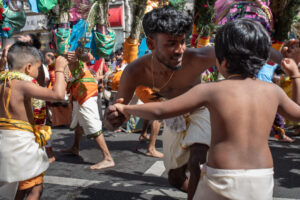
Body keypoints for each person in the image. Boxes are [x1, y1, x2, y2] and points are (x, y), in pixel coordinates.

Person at [104, 6, 283, 199]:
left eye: (182, 42)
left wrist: (286, 60)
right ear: (151, 43)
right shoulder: (134, 71)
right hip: (172, 115)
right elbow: (117, 112)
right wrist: (113, 118)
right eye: (171, 43)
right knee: (175, 177)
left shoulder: (198, 57)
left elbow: (248, 46)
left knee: (198, 159)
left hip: (201, 109)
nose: (180, 49)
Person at [0, 41, 68, 200]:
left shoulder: (3, 82)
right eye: (38, 68)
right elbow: (58, 95)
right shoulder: (22, 85)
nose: (39, 71)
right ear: (28, 68)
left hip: (4, 142)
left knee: (19, 188)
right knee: (35, 189)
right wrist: (59, 69)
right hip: (21, 145)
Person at [61, 50, 114, 170]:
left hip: (85, 89)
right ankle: (75, 147)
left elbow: (90, 57)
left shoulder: (76, 41)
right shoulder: (64, 43)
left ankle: (108, 158)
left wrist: (79, 55)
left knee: (91, 122)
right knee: (79, 120)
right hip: (76, 88)